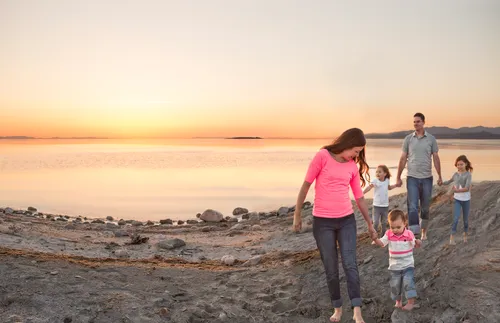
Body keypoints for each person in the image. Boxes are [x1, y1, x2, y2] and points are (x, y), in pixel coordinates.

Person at [292, 128, 378, 323]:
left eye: (359, 153)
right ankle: (337, 309)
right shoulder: (322, 156)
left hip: (347, 220)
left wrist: (370, 223)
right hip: (322, 223)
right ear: (347, 144)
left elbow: (359, 198)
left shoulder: (352, 167)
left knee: (350, 264)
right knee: (331, 267)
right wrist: (297, 214)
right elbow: (306, 185)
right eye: (356, 151)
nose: (357, 156)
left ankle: (357, 311)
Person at [396, 112, 442, 240]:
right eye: (414, 122)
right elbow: (403, 158)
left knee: (425, 207)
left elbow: (436, 158)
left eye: (418, 121)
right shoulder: (408, 139)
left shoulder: (431, 139)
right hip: (412, 178)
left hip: (427, 178)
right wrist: (398, 176)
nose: (416, 124)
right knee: (412, 207)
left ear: (423, 122)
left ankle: (423, 232)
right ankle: (413, 234)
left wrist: (439, 176)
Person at [374, 209, 421, 311]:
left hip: (408, 265)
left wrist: (418, 242)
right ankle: (398, 301)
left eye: (398, 227)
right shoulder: (389, 234)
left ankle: (410, 303)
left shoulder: (409, 234)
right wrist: (375, 239)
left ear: (405, 224)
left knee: (408, 282)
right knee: (395, 285)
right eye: (392, 227)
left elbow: (415, 244)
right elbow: (382, 243)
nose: (395, 230)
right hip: (394, 267)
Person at [442, 155, 473, 245]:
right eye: (458, 164)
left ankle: (465, 235)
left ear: (466, 164)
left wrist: (456, 191)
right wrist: (441, 183)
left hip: (466, 200)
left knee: (465, 220)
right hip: (457, 200)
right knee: (455, 219)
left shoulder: (468, 175)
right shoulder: (455, 174)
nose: (459, 166)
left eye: (461, 164)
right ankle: (452, 238)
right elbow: (449, 181)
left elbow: (467, 188)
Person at [363, 165, 398, 241]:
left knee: (384, 223)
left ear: (385, 174)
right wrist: (362, 193)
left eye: (380, 172)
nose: (377, 173)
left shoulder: (387, 180)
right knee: (375, 223)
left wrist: (395, 185)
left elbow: (389, 188)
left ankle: (383, 237)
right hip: (376, 206)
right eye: (376, 172)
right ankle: (374, 238)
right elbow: (369, 187)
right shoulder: (375, 181)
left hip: (385, 206)